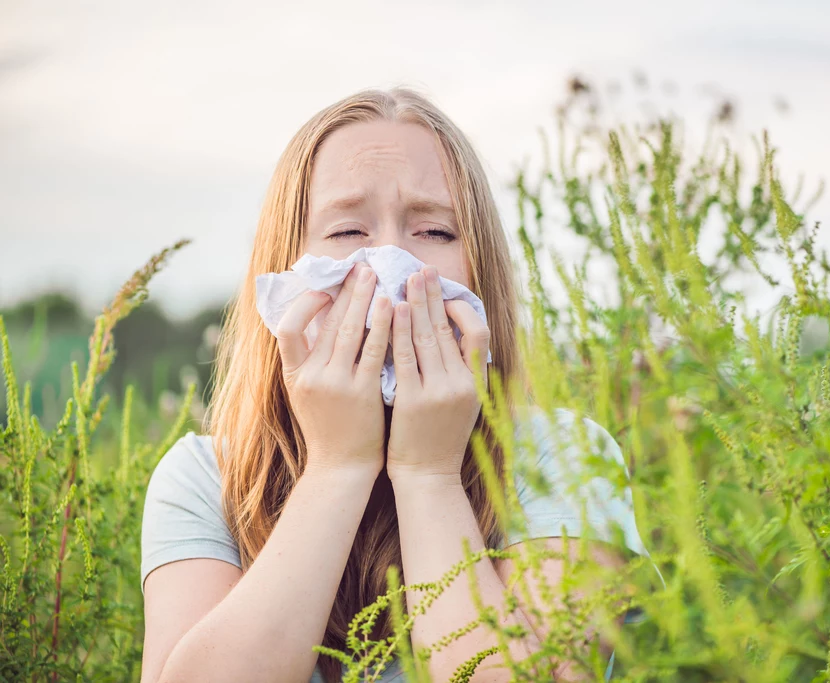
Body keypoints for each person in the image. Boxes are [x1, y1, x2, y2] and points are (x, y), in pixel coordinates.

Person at [139, 87, 650, 683]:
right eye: (347, 231)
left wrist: (428, 474)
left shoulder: (563, 458)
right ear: (285, 270)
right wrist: (336, 466)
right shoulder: (207, 479)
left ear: (479, 266)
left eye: (434, 232)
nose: (389, 258)